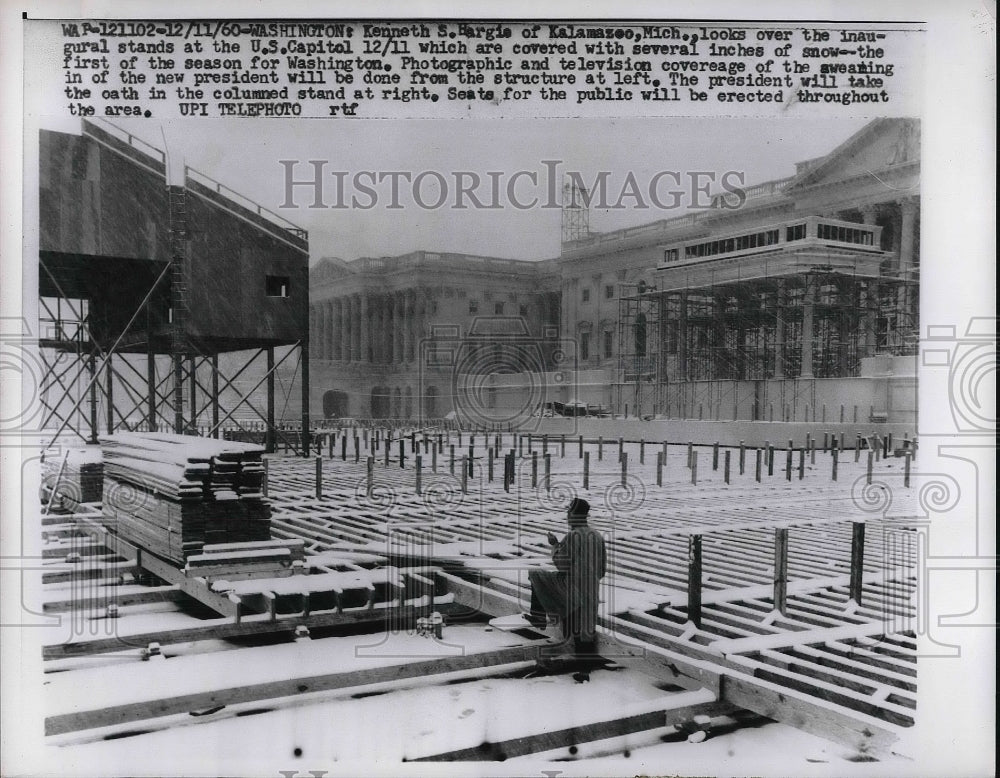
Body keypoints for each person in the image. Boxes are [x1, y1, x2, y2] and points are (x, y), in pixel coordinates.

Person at [527, 497, 607, 652]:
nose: (567, 517)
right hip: (591, 591)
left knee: (535, 574)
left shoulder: (573, 536)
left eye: (569, 513)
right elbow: (602, 570)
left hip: (570, 590)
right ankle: (584, 670)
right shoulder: (597, 536)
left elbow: (561, 565)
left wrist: (555, 545)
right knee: (584, 630)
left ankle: (538, 617)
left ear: (573, 515)